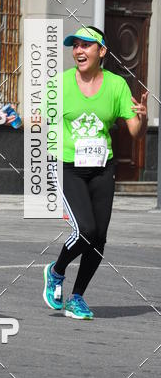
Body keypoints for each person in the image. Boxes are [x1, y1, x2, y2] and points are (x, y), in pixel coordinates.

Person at [43, 25, 148, 320]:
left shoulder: (117, 86)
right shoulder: (58, 85)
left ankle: (77, 298)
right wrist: (23, 119)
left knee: (99, 237)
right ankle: (56, 270)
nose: (78, 50)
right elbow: (37, 121)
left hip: (103, 167)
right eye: (75, 45)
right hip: (67, 165)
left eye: (86, 45)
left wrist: (143, 116)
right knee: (85, 230)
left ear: (101, 51)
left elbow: (136, 133)